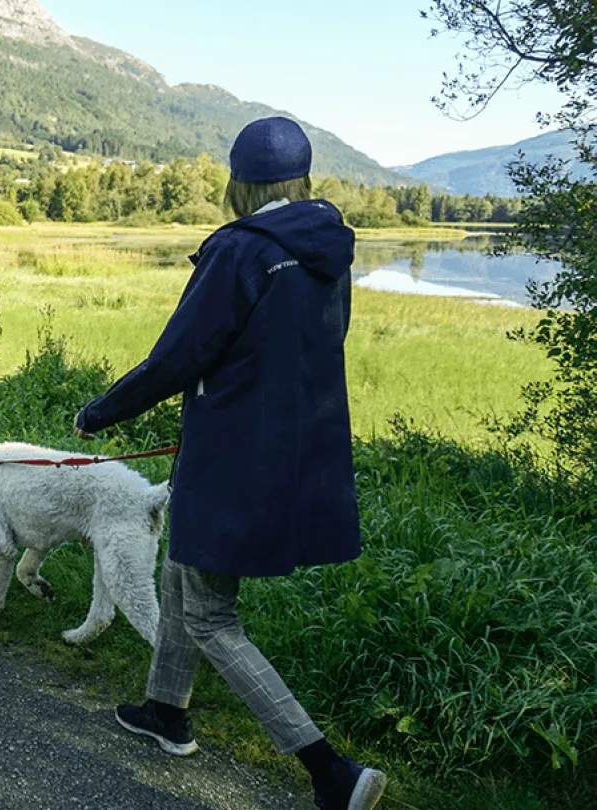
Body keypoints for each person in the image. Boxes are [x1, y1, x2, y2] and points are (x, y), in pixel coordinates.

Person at [72, 116, 385, 810]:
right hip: (295, 452)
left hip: (230, 457)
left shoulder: (241, 250)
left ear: (239, 183)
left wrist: (100, 412)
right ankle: (165, 711)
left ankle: (329, 770)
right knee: (182, 573)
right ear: (300, 179)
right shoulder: (328, 247)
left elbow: (180, 354)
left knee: (212, 615)